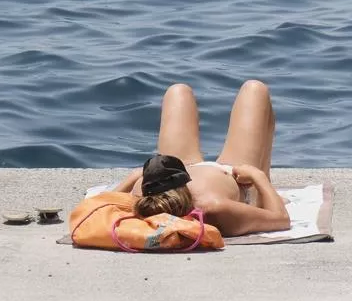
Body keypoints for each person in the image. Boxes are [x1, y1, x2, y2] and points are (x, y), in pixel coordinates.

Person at [107, 81, 291, 236]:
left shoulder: (143, 196)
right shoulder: (214, 207)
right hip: (234, 173)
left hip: (181, 167)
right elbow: (281, 219)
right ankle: (263, 195)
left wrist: (133, 177)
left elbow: (98, 205)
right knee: (255, 89)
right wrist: (258, 176)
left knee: (177, 91)